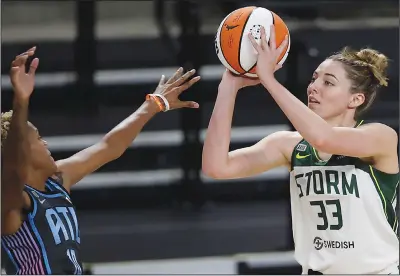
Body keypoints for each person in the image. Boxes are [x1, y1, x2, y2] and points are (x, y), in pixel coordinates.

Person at [202, 26, 399, 275]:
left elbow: (324, 138)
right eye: (314, 78)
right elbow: (216, 167)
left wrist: (269, 80)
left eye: (328, 82)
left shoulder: (379, 137)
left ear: (355, 100)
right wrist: (228, 86)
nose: (314, 87)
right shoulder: (289, 145)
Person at [1, 47, 201, 275]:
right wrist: (20, 101)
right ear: (22, 152)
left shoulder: (57, 180)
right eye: (37, 138)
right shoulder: (12, 202)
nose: (45, 143)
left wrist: (154, 104)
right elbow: (12, 170)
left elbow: (109, 146)